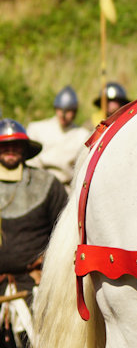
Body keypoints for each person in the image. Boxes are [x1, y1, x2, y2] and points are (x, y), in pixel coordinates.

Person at [0, 119, 68, 348]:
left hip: (34, 287)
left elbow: (65, 234)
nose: (10, 151)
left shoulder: (47, 184)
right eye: (4, 146)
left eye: (15, 145)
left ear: (25, 149)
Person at [25, 86, 91, 189]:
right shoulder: (37, 129)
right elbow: (30, 162)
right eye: (60, 109)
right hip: (39, 183)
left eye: (68, 111)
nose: (63, 115)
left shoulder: (82, 135)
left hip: (65, 187)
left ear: (74, 112)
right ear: (56, 109)